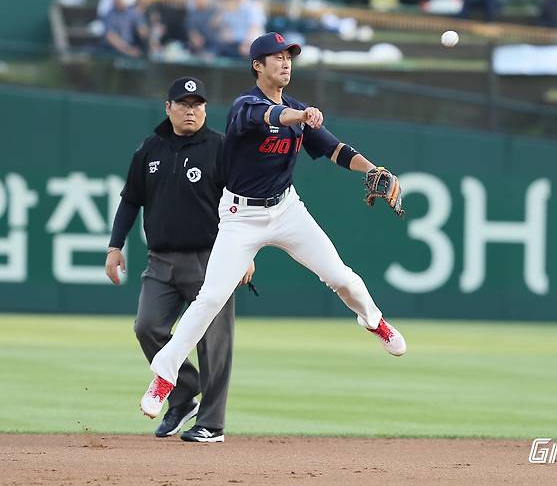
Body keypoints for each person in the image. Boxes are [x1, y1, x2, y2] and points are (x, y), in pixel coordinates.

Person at [140, 32, 407, 420]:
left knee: (341, 276)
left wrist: (373, 169)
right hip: (240, 216)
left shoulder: (297, 110)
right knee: (210, 298)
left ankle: (375, 322)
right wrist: (301, 116)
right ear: (257, 65)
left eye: (289, 57)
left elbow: (336, 150)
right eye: (276, 57)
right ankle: (164, 377)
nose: (285, 63)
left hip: (286, 210)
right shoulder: (245, 106)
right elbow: (269, 117)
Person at [106, 76, 255, 443]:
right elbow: (130, 199)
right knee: (147, 326)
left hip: (212, 259)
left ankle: (212, 425)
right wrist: (115, 246)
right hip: (160, 260)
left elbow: (243, 203)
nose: (191, 110)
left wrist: (246, 251)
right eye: (184, 104)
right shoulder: (150, 149)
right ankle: (185, 392)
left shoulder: (221, 147)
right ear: (168, 107)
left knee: (213, 343)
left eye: (198, 104)